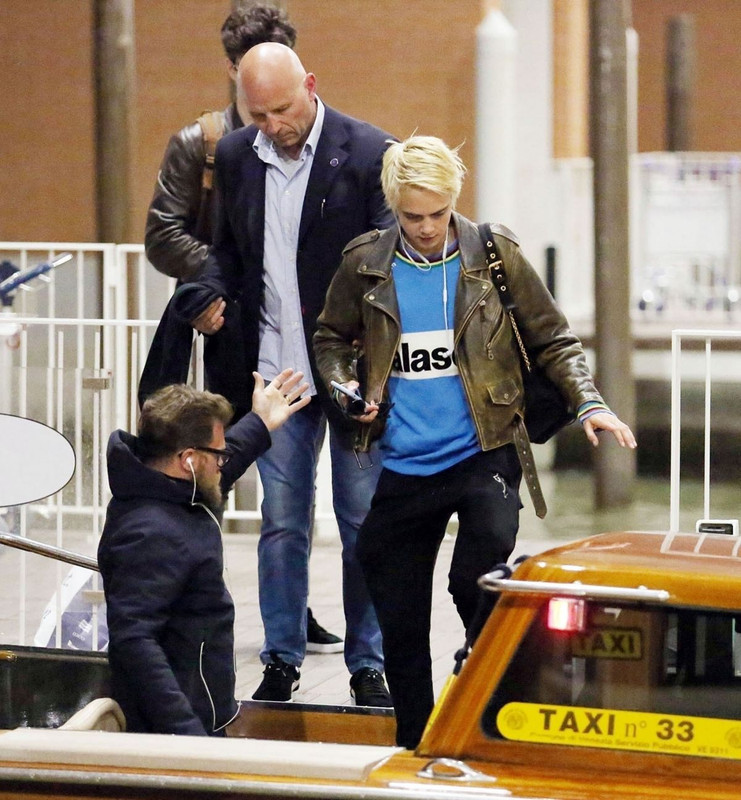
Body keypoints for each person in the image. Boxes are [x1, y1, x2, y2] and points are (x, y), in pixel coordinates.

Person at [313, 135, 637, 749]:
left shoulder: (493, 253)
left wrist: (588, 403)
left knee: (480, 578)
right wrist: (346, 385)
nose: (429, 227)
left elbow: (554, 340)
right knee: (399, 616)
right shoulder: (364, 262)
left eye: (438, 213)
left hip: (484, 448)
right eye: (413, 216)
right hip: (404, 464)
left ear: (454, 201)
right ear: (393, 207)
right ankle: (415, 743)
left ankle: (500, 703)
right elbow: (330, 338)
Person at [181, 42, 396, 706]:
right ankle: (280, 658)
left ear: (310, 84)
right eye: (258, 113)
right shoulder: (241, 157)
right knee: (281, 521)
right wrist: (207, 294)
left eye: (281, 110)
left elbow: (391, 273)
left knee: (363, 521)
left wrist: (379, 374)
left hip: (353, 375)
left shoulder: (367, 153)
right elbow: (226, 251)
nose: (272, 125)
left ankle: (368, 665)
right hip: (277, 378)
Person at [143, 4, 339, 654]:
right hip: (234, 340)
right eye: (258, 105)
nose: (273, 122)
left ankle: (294, 612)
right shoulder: (203, 145)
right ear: (233, 73)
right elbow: (163, 234)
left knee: (295, 501)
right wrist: (217, 282)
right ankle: (203, 610)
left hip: (305, 342)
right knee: (222, 478)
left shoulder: (318, 141)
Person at [98, 371, 310, 735]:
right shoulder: (149, 532)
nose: (224, 461)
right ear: (190, 460)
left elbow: (227, 459)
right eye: (218, 453)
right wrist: (188, 734)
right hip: (173, 731)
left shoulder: (175, 491)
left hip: (200, 715)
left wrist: (260, 422)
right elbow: (135, 641)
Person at [145, 4, 297, 281]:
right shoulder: (198, 142)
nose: (265, 79)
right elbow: (162, 237)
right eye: (252, 69)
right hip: (221, 308)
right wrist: (231, 273)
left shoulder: (308, 139)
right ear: (232, 69)